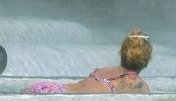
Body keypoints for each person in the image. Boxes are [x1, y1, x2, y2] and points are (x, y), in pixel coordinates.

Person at [24, 30, 152, 95]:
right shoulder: (139, 85)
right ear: (147, 59)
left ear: (122, 52)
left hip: (48, 88)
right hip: (59, 96)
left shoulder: (105, 69)